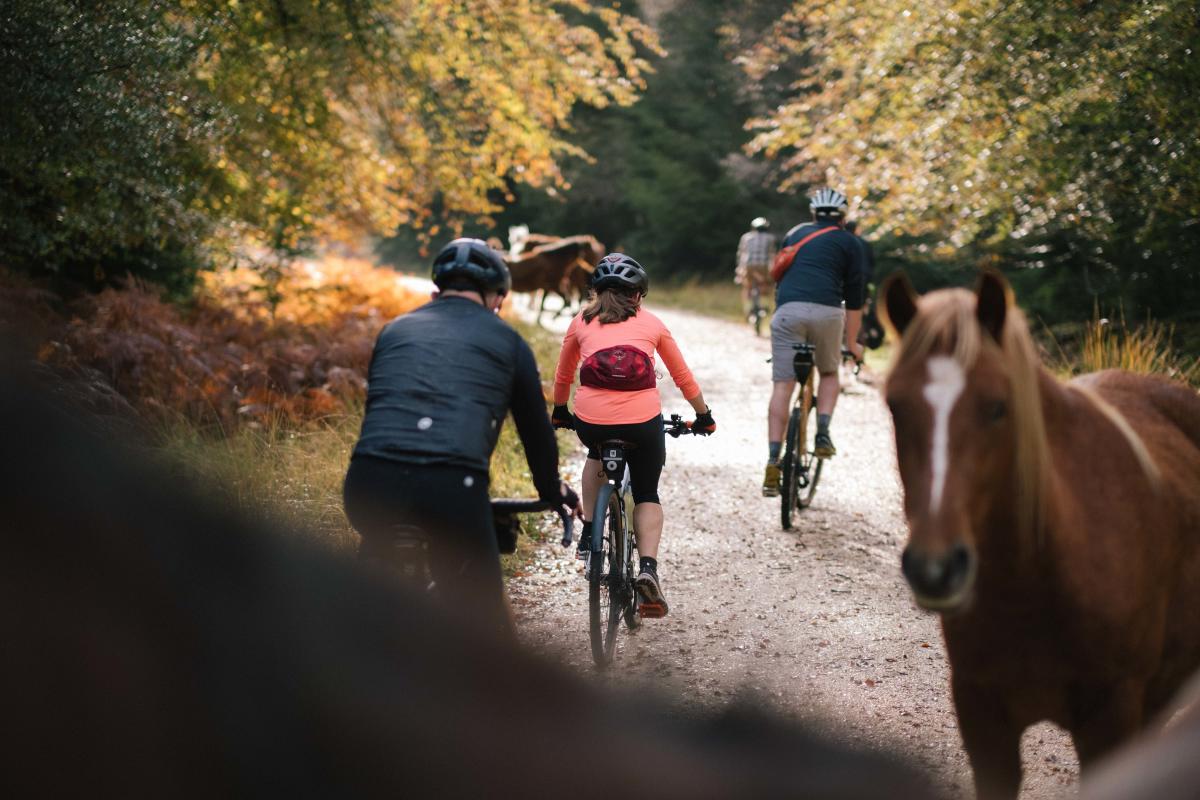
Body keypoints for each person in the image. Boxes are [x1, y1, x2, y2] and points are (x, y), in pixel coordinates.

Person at [342, 237, 580, 636]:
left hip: (368, 483)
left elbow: (379, 414)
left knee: (370, 599)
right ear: (498, 298)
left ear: (436, 289)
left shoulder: (394, 330)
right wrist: (552, 491)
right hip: (451, 488)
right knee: (483, 622)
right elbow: (535, 431)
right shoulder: (508, 341)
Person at [551, 254, 714, 618]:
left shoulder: (581, 321)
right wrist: (703, 416)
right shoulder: (653, 323)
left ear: (595, 291)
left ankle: (590, 534)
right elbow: (683, 377)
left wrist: (561, 411)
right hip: (642, 423)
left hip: (592, 421)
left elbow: (563, 377)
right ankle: (648, 569)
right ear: (638, 295)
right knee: (646, 492)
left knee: (596, 457)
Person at [763, 189, 865, 497]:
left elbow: (780, 279)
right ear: (843, 217)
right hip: (828, 313)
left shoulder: (795, 234)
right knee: (830, 373)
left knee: (783, 386)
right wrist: (853, 344)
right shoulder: (850, 243)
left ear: (813, 214)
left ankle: (772, 461)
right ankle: (822, 433)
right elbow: (856, 299)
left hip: (787, 313)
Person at [735, 216, 777, 312]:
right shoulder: (770, 238)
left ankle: (748, 308)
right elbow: (771, 253)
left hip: (748, 265)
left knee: (747, 286)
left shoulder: (746, 237)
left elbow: (741, 253)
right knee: (766, 284)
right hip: (763, 266)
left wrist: (739, 269)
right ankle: (764, 305)